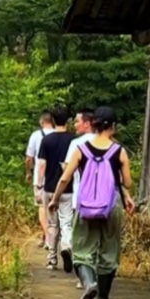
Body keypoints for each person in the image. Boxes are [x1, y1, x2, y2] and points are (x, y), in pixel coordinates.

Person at [50, 105, 134, 299]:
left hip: (85, 206)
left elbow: (65, 178)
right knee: (109, 254)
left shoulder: (81, 148)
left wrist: (55, 199)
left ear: (93, 124)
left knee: (81, 251)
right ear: (113, 127)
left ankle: (89, 283)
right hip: (110, 206)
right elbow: (127, 182)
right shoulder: (119, 151)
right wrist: (126, 194)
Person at [35, 106, 76, 271]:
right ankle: (66, 245)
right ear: (68, 121)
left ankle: (52, 258)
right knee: (66, 222)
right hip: (68, 188)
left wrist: (39, 185)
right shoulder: (74, 140)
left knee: (52, 224)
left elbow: (42, 165)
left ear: (52, 121)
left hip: (50, 187)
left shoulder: (47, 140)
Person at [62, 109, 94, 285]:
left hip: (81, 199)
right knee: (96, 239)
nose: (75, 125)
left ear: (87, 123)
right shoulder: (107, 143)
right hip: (104, 200)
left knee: (80, 240)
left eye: (77, 122)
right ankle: (96, 275)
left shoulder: (77, 144)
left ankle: (84, 279)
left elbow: (67, 170)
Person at [25, 111, 56, 246]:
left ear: (42, 122)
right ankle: (45, 237)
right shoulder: (58, 134)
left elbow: (29, 158)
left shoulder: (36, 135)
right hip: (57, 177)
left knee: (41, 208)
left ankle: (49, 237)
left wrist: (28, 171)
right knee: (53, 207)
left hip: (41, 177)